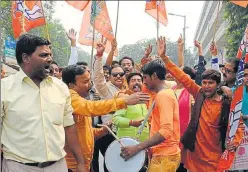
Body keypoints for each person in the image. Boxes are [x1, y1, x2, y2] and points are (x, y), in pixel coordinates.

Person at [1, 34, 86, 172]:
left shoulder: (61, 88)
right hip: (18, 167)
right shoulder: (4, 88)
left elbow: (69, 127)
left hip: (57, 166)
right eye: (44, 55)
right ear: (26, 58)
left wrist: (80, 162)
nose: (50, 59)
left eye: (50, 54)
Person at [158, 36, 244, 171]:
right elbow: (182, 77)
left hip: (214, 156)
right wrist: (165, 59)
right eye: (204, 83)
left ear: (217, 85)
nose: (207, 86)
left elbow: (238, 124)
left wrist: (235, 141)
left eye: (211, 83)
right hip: (194, 154)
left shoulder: (226, 103)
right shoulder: (198, 94)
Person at [62, 64, 150, 172]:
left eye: (89, 81)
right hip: (73, 165)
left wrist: (101, 131)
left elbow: (84, 132)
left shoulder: (80, 99)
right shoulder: (69, 97)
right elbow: (91, 107)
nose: (90, 85)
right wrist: (124, 101)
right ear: (71, 85)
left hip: (85, 162)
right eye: (85, 82)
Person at [121, 58, 180, 172]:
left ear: (154, 76)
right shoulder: (162, 94)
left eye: (145, 78)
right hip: (163, 154)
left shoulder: (164, 96)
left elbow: (166, 131)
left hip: (165, 155)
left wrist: (137, 147)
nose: (144, 82)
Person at [113, 72, 149, 142]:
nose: (136, 83)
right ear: (128, 84)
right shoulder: (126, 100)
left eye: (139, 81)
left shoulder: (145, 100)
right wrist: (131, 122)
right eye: (133, 81)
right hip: (127, 144)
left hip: (144, 144)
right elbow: (115, 119)